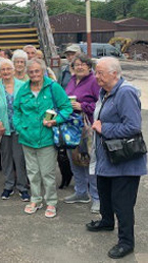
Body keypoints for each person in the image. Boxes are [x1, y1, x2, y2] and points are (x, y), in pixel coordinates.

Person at [86, 57, 143, 259]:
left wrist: (104, 128)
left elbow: (133, 126)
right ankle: (107, 221)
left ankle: (126, 242)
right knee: (105, 193)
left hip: (124, 160)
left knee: (122, 203)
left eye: (100, 73)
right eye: (96, 72)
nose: (96, 76)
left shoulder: (125, 92)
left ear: (114, 74)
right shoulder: (106, 92)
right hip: (107, 158)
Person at [13, 58, 72, 218]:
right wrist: (19, 127)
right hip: (27, 137)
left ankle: (51, 201)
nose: (34, 74)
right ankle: (36, 199)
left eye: (37, 71)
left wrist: (56, 120)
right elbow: (16, 110)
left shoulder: (53, 87)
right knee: (32, 172)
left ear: (43, 71)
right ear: (27, 73)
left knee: (47, 172)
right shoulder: (23, 90)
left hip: (46, 138)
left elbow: (66, 107)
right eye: (31, 72)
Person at [0, 57, 30, 201]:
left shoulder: (23, 85)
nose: (6, 72)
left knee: (20, 159)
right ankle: (8, 186)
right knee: (5, 158)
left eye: (8, 69)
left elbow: (27, 105)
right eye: (3, 69)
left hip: (19, 129)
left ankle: (23, 187)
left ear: (13, 70)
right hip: (3, 129)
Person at [62, 55, 99, 212]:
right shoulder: (71, 80)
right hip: (72, 127)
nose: (80, 67)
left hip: (88, 127)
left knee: (90, 162)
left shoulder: (94, 81)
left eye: (84, 64)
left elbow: (100, 104)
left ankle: (97, 198)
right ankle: (81, 192)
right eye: (77, 64)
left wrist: (82, 106)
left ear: (89, 67)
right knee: (74, 160)